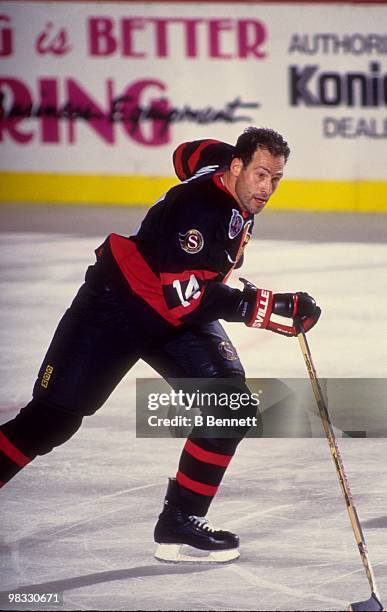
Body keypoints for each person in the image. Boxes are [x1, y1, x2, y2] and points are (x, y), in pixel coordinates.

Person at [0, 127, 321, 563]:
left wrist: (230, 161)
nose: (266, 189)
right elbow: (187, 297)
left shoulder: (223, 166)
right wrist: (272, 304)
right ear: (238, 167)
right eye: (260, 175)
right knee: (50, 421)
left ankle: (180, 523)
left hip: (174, 315)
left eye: (276, 179)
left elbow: (186, 153)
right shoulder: (197, 210)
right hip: (116, 308)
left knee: (230, 408)